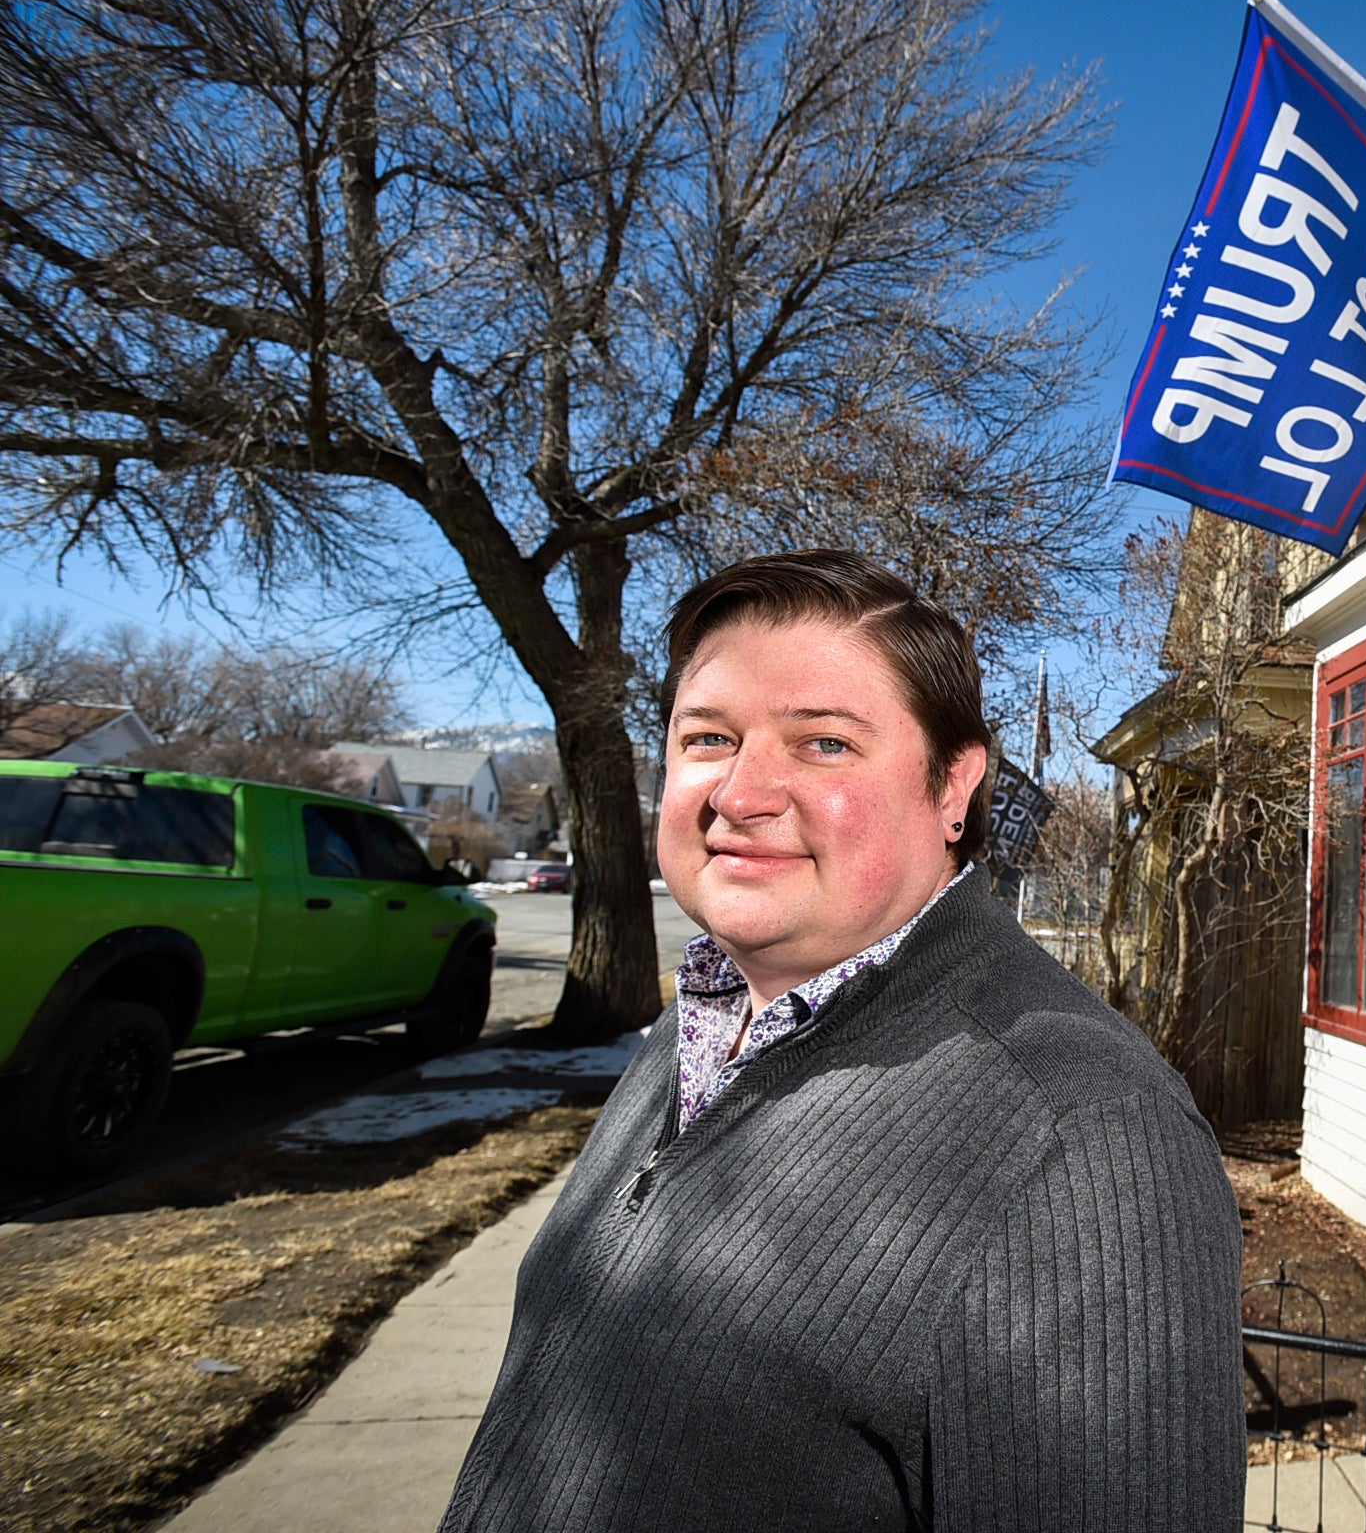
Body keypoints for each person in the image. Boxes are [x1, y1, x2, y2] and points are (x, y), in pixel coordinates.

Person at [441, 551, 1245, 1531]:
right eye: (707, 736)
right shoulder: (698, 1018)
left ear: (953, 788)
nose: (740, 792)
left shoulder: (1084, 1140)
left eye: (822, 743)